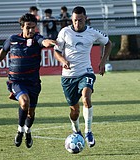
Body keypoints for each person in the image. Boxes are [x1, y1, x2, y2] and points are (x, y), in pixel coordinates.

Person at [0, 13, 56, 148]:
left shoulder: (37, 38)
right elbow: (3, 51)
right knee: (24, 102)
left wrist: (51, 42)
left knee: (31, 112)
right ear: (22, 27)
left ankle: (28, 131)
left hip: (33, 83)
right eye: (28, 27)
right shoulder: (13, 39)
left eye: (33, 27)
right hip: (16, 81)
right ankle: (20, 130)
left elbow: (44, 42)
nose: (31, 30)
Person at [54, 6, 112, 148]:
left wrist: (103, 61)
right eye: (74, 20)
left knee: (86, 97)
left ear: (85, 18)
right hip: (68, 77)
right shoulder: (64, 32)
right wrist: (63, 61)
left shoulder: (92, 32)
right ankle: (76, 129)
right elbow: (56, 51)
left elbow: (108, 43)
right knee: (75, 111)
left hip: (86, 72)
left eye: (80, 20)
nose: (77, 23)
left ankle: (88, 132)